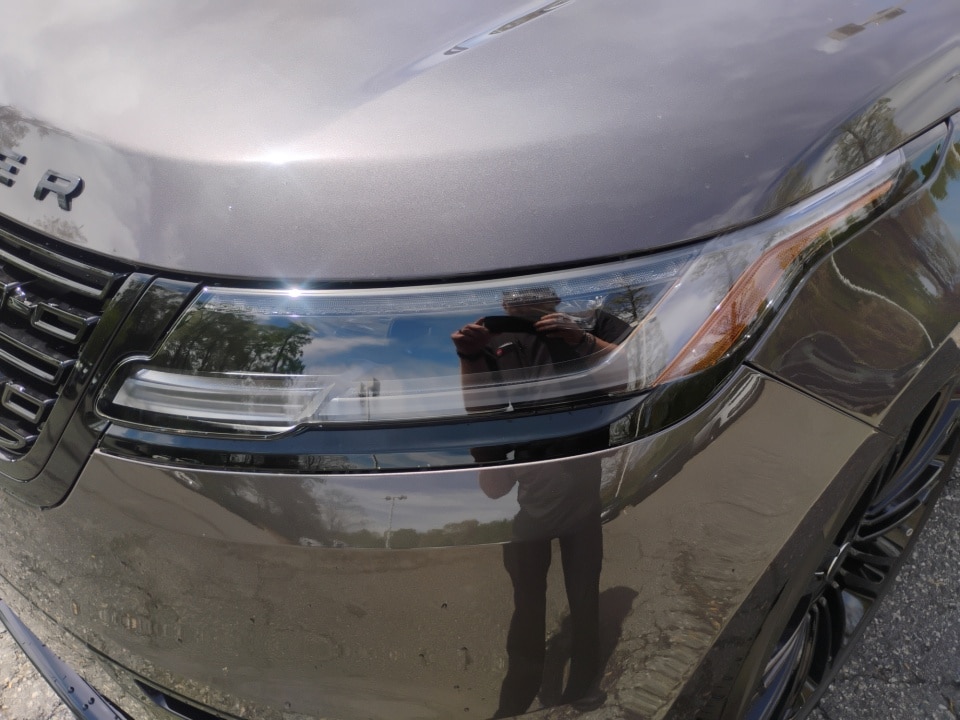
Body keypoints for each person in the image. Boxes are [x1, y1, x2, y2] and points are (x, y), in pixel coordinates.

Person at [451, 288, 630, 717]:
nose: (520, 300)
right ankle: (515, 700)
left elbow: (630, 369)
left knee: (584, 595)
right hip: (532, 481)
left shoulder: (593, 320)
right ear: (502, 304)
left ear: (554, 298)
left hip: (584, 473)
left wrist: (581, 338)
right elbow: (483, 410)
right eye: (511, 295)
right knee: (527, 604)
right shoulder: (492, 336)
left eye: (533, 293)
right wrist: (469, 357)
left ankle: (582, 685)